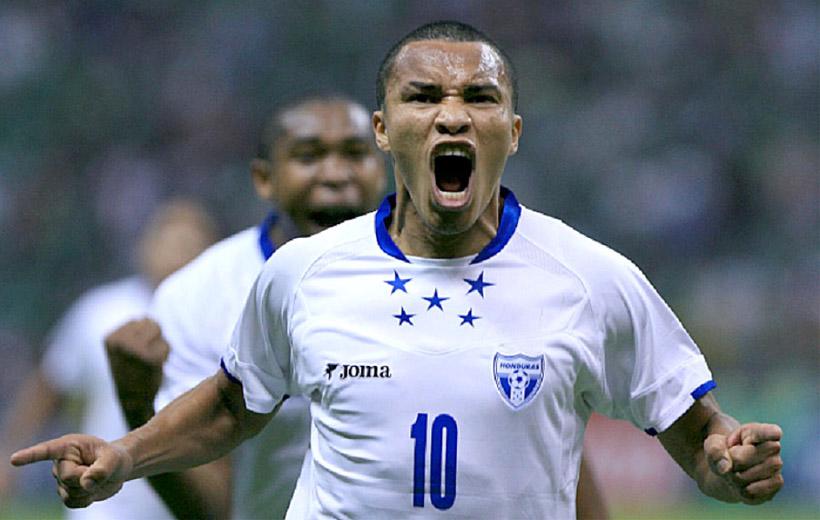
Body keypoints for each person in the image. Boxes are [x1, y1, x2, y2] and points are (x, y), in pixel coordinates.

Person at [10, 21, 784, 518]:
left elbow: (696, 431)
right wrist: (125, 455)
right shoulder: (303, 274)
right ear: (384, 129)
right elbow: (230, 405)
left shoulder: (593, 279)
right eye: (423, 97)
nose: (452, 113)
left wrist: (725, 465)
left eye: (479, 97)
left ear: (512, 131)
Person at [104, 94, 388, 519]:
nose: (335, 173)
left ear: (383, 169)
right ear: (263, 179)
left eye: (355, 153)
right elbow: (212, 512)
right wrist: (137, 405)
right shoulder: (198, 296)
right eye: (308, 156)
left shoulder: (434, 282)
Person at [0, 198, 217, 520]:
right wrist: (9, 454)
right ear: (145, 247)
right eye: (169, 242)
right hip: (102, 506)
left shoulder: (221, 322)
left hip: (184, 506)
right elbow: (48, 387)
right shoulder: (101, 312)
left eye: (191, 245)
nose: (178, 255)